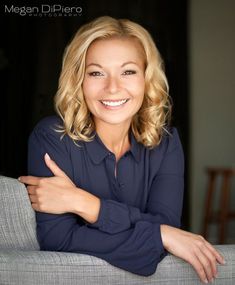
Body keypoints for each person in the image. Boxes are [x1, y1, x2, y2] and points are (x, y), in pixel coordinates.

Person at [19, 16, 224, 283]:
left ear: (146, 78)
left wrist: (86, 204)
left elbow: (166, 230)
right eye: (96, 73)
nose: (113, 88)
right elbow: (59, 239)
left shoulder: (167, 142)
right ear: (78, 80)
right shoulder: (51, 138)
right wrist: (157, 234)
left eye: (128, 71)